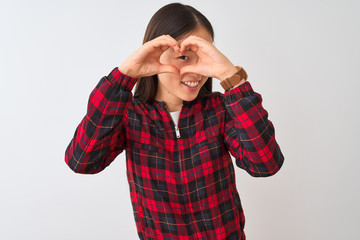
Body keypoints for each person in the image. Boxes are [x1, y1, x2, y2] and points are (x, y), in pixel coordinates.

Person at [65, 3, 284, 240]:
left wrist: (231, 78)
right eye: (183, 57)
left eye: (203, 59)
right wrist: (124, 75)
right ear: (155, 53)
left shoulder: (220, 109)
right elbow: (82, 160)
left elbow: (265, 164)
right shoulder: (129, 115)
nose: (197, 72)